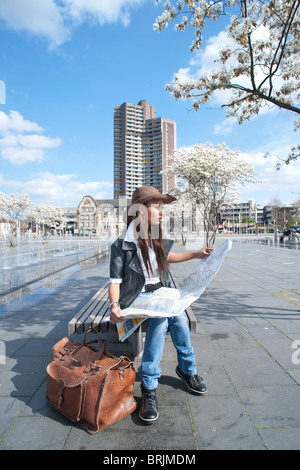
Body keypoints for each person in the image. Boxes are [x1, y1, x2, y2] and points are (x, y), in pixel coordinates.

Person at [109, 186, 213, 424]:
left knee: (177, 316)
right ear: (141, 211)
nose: (161, 212)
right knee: (161, 319)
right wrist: (114, 305)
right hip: (138, 297)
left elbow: (167, 258)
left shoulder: (156, 236)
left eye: (161, 208)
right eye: (157, 207)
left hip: (161, 292)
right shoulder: (122, 244)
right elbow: (114, 281)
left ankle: (186, 371)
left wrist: (197, 254)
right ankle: (149, 387)